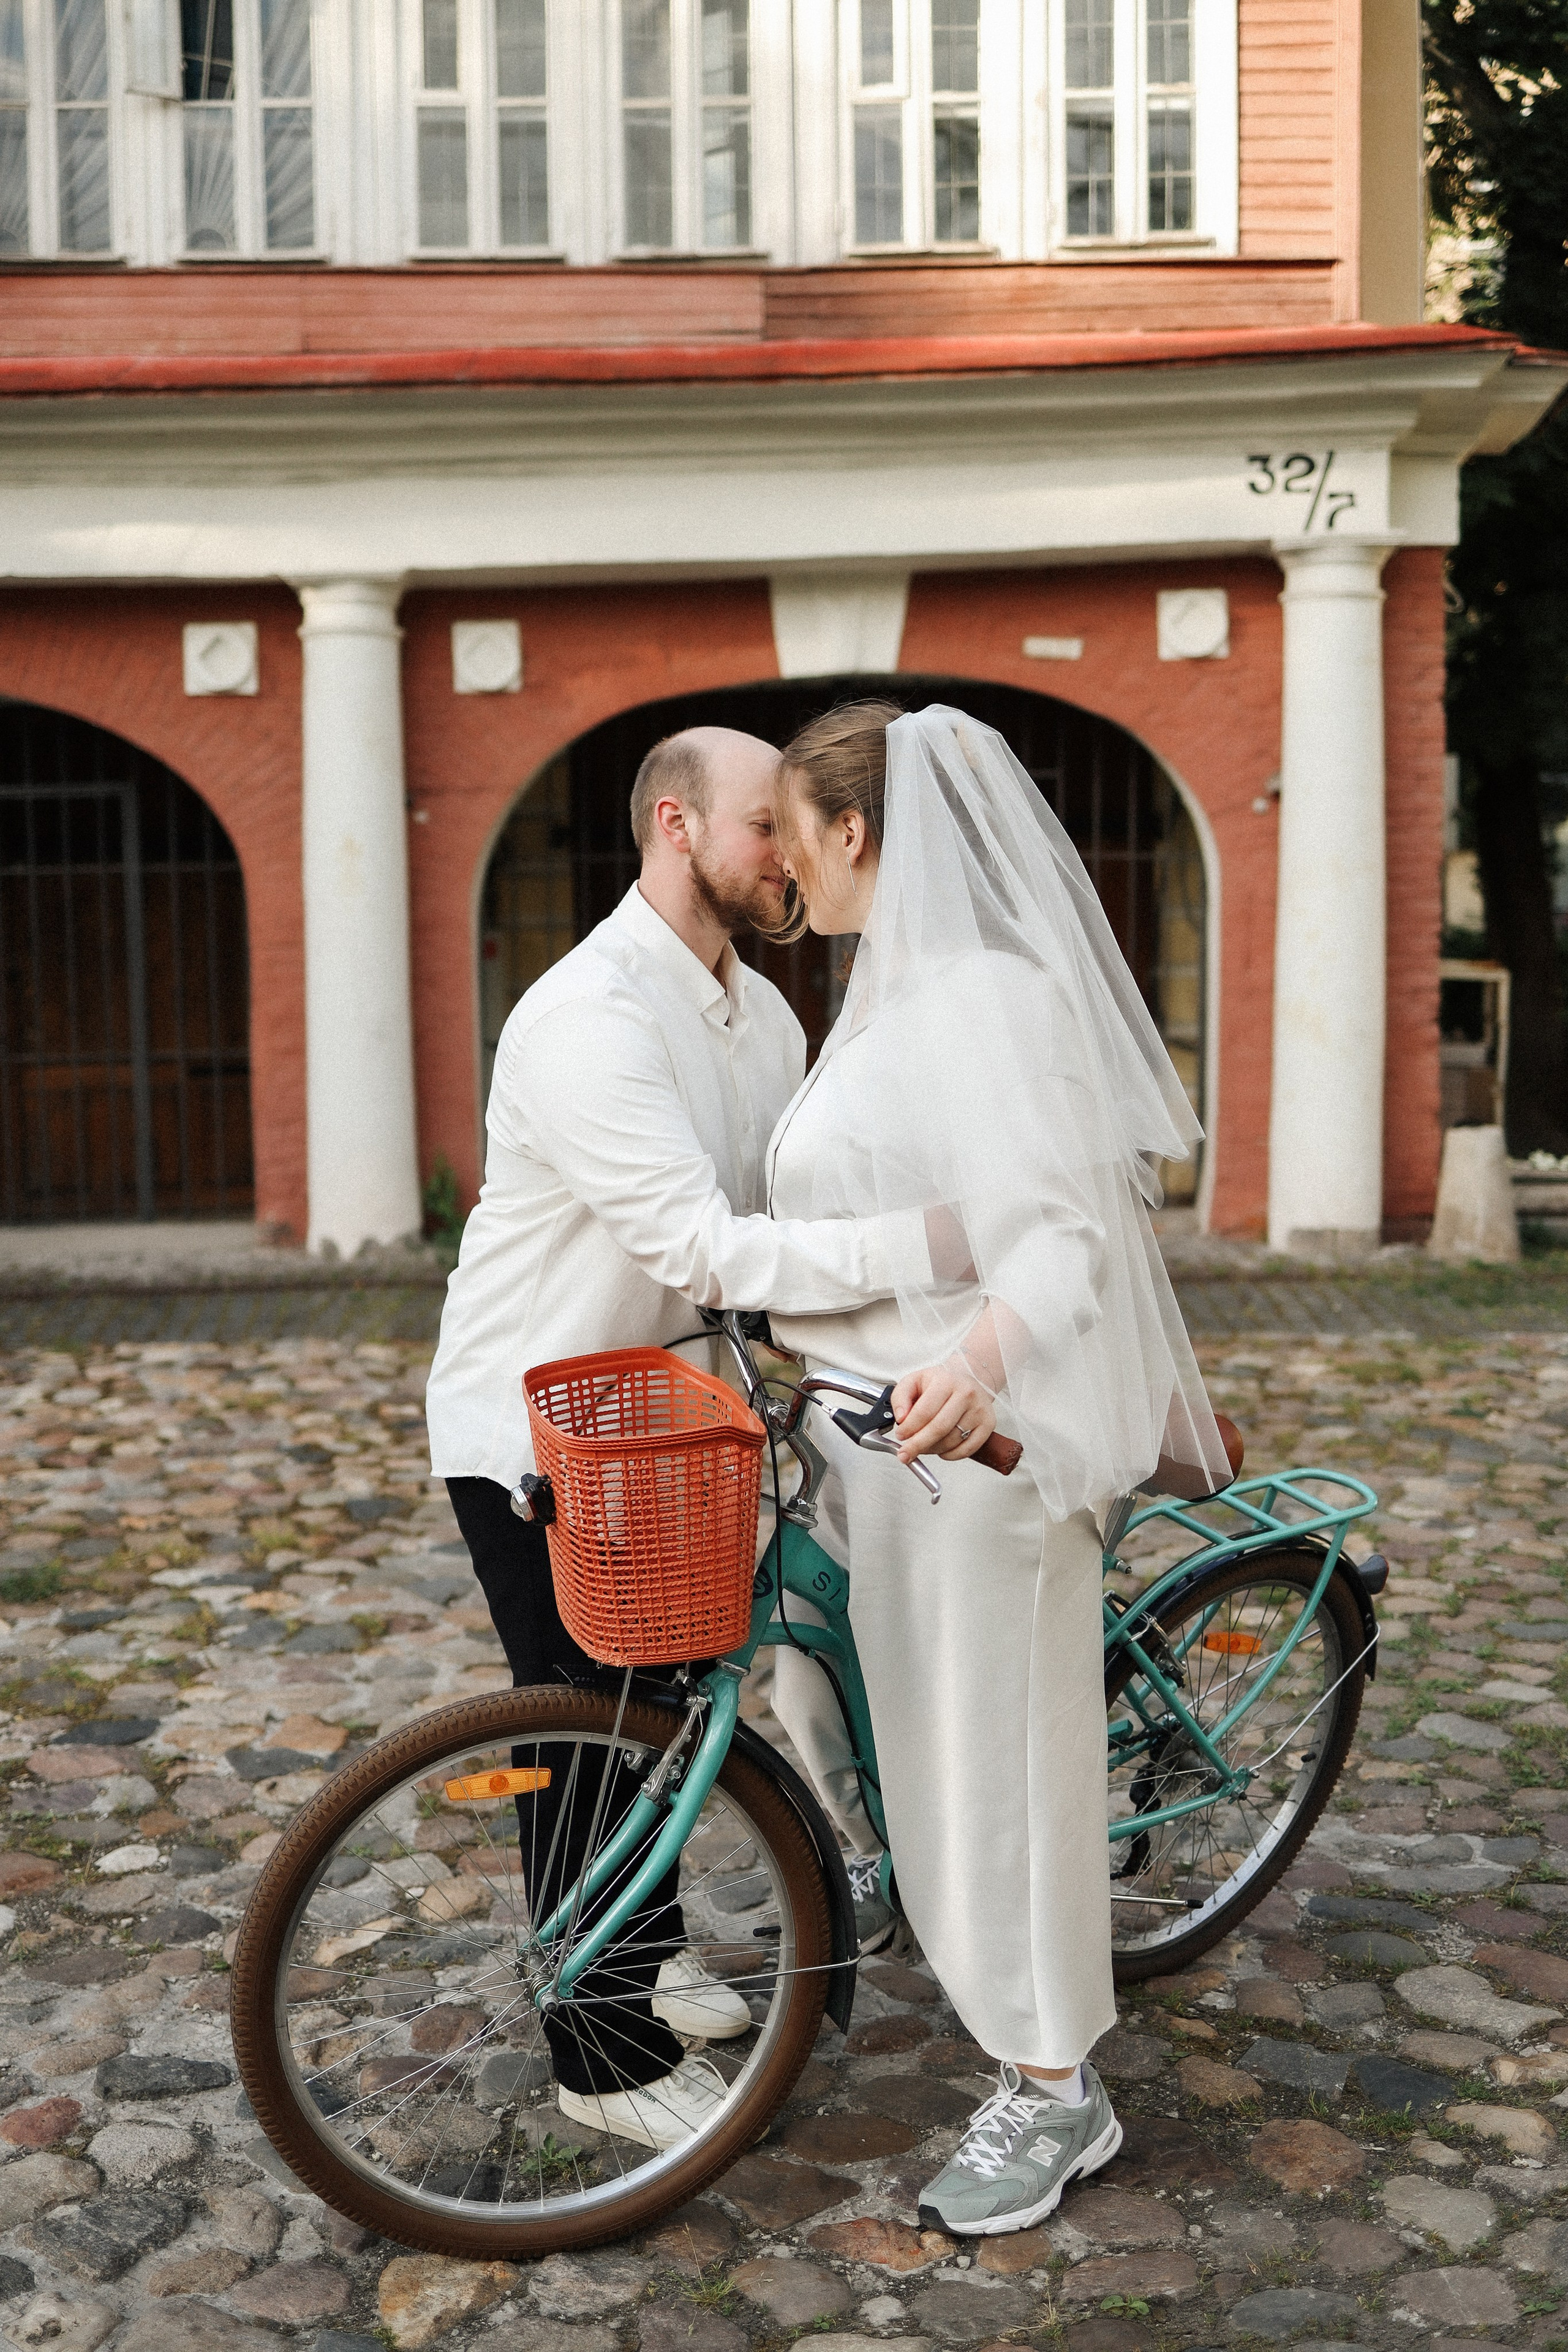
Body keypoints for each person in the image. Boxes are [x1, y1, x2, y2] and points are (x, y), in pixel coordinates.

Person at [424, 723, 951, 2152]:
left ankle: (645, 1958)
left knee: (657, 1706)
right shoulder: (586, 1016)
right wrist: (937, 1241)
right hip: (532, 1426)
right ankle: (598, 2061)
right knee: (584, 1736)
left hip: (668, 1425)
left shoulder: (762, 1017)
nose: (790, 853)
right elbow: (705, 1244)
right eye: (765, 826)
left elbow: (784, 1223)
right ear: (675, 825)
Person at [763, 699, 1231, 2236]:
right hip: (874, 1446)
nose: (783, 866)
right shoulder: (877, 1001)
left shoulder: (993, 999)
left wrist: (971, 1364)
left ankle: (1056, 2087)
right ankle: (961, 1956)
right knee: (873, 1725)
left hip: (981, 1451)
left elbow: (1063, 1239)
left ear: (854, 831)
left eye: (793, 829)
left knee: (1000, 1764)